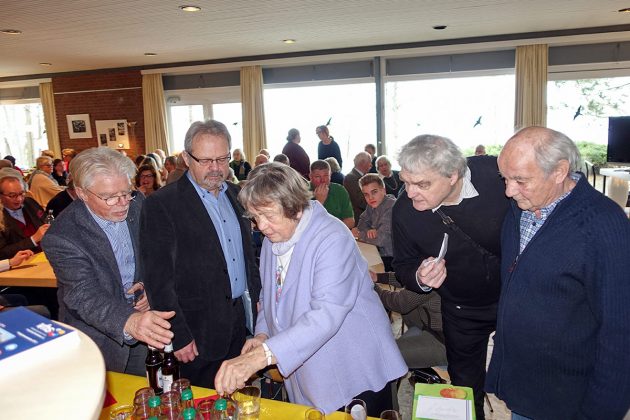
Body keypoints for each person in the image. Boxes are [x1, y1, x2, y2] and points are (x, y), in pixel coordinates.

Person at [214, 163, 406, 416]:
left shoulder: (331, 237)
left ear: (294, 206)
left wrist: (260, 357)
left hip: (352, 367)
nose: (262, 226)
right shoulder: (278, 236)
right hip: (308, 367)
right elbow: (270, 295)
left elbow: (326, 315)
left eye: (268, 216)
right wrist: (262, 334)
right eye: (255, 218)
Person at [486, 127, 630, 420]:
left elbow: (620, 332)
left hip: (568, 398)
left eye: (520, 180)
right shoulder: (520, 207)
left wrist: (600, 413)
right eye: (506, 178)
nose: (509, 191)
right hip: (524, 387)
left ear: (559, 171)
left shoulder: (603, 225)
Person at [392, 134, 509, 419]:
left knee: (522, 381)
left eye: (422, 184)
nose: (410, 193)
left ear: (453, 175)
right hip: (461, 308)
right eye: (405, 181)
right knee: (465, 388)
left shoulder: (496, 177)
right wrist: (419, 277)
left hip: (514, 299)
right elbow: (403, 264)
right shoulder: (404, 212)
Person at [140, 120, 261, 389]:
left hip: (240, 321)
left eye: (222, 159)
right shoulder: (162, 205)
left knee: (236, 398)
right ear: (186, 158)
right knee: (203, 403)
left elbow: (248, 256)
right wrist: (178, 335)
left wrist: (258, 302)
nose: (216, 168)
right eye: (206, 160)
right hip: (197, 332)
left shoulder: (236, 193)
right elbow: (158, 281)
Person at [42, 147, 175, 374]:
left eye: (126, 192)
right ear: (82, 193)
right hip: (98, 336)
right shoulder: (63, 236)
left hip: (142, 324)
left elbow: (155, 253)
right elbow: (83, 294)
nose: (123, 203)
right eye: (110, 197)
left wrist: (146, 286)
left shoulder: (137, 202)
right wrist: (130, 320)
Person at [371, 271, 446, 370]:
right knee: (410, 307)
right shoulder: (445, 263)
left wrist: (372, 287)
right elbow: (412, 277)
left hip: (443, 342)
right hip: (433, 328)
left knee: (384, 356)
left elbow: (398, 303)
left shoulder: (437, 276)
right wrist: (378, 277)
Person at [0, 168, 49, 259]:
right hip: (21, 265)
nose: (19, 199)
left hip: (46, 255)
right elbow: (2, 253)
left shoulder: (29, 202)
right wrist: (33, 239)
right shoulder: (1, 217)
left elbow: (46, 221)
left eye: (22, 193)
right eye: (12, 196)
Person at [352, 174, 395, 271]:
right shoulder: (372, 204)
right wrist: (369, 231)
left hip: (392, 259)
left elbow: (381, 240)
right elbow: (362, 224)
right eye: (366, 194)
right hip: (378, 252)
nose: (370, 198)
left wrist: (359, 235)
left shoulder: (391, 207)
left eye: (374, 192)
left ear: (383, 190)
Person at [309, 160, 354, 229]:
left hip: (336, 234)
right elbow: (306, 224)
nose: (322, 180)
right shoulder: (302, 191)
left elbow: (350, 221)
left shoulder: (339, 190)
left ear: (330, 175)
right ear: (310, 177)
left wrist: (331, 232)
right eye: (317, 176)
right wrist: (319, 202)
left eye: (326, 176)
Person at [344, 151, 372, 226]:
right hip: (359, 218)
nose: (371, 165)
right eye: (370, 162)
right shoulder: (351, 178)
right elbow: (360, 201)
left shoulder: (362, 176)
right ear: (363, 162)